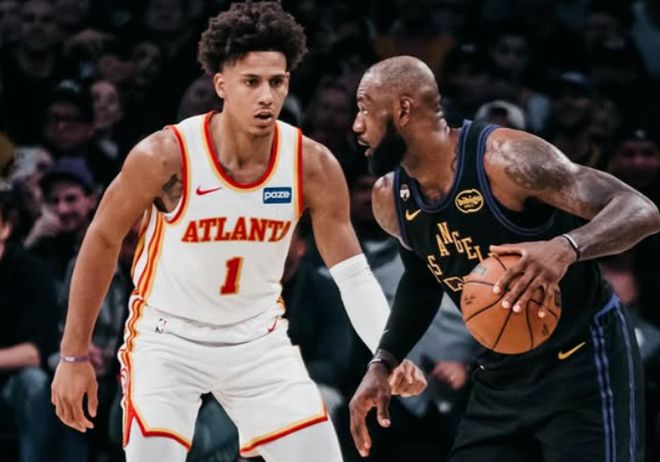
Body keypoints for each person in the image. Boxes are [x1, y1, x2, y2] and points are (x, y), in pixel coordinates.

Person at [50, 4, 426, 462]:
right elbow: (102, 240)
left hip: (257, 341)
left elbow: (352, 275)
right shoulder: (166, 155)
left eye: (277, 82)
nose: (267, 96)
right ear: (221, 84)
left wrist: (389, 353)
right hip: (168, 339)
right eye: (252, 82)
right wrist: (73, 356)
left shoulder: (311, 164)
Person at [348, 55, 660, 462]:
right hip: (500, 373)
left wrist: (566, 247)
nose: (356, 126)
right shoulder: (390, 198)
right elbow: (422, 281)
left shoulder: (507, 159)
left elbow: (640, 209)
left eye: (365, 109)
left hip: (582, 359)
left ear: (403, 110)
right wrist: (383, 361)